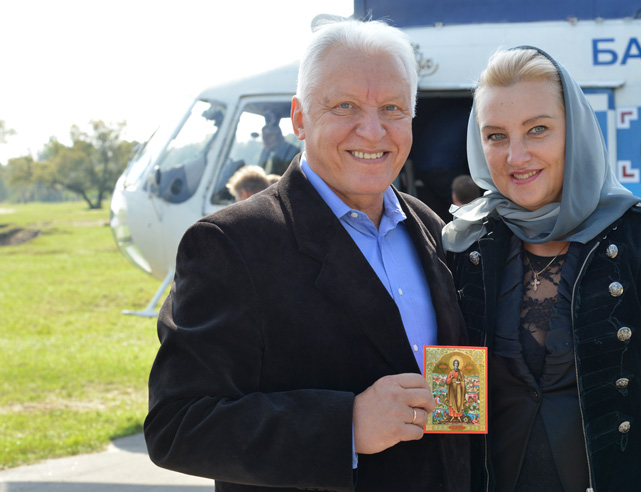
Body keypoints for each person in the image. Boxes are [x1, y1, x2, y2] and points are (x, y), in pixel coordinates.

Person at [144, 19, 469, 492]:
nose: (373, 130)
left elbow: (454, 397)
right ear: (299, 118)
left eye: (393, 108)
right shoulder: (231, 243)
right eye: (345, 106)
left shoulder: (430, 226)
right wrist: (345, 427)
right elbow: (177, 424)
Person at [443, 47, 641, 492]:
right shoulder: (464, 246)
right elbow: (454, 414)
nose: (515, 156)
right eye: (496, 135)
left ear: (575, 132)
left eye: (537, 130)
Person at [257, 110, 300, 175]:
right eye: (264, 138)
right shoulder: (268, 154)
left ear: (279, 136)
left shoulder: (292, 153)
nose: (266, 141)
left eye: (269, 137)